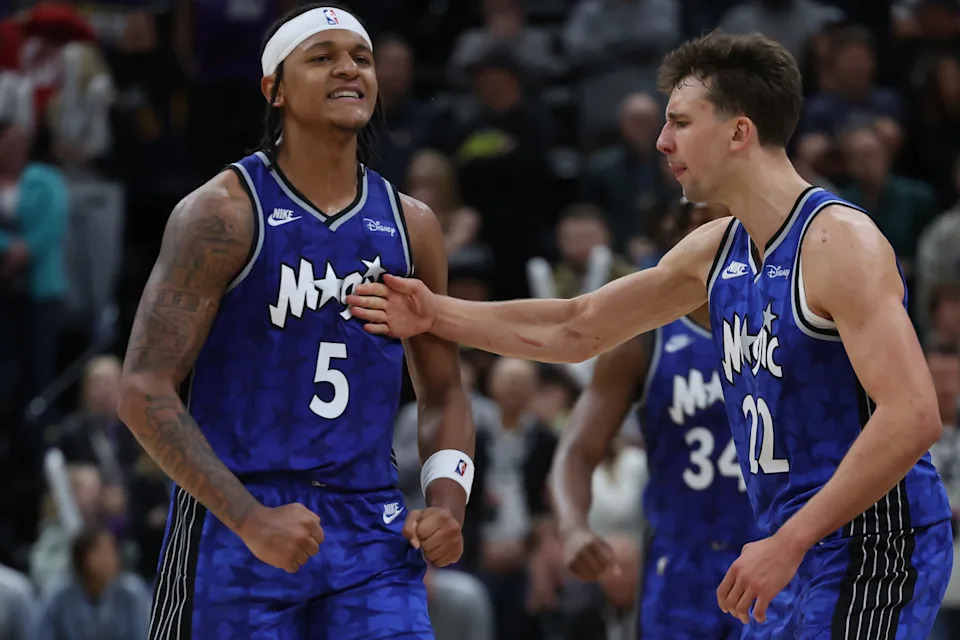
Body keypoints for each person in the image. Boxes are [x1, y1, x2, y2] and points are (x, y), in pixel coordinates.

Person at [347, 30, 954, 639]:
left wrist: (790, 539)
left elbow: (913, 413)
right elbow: (577, 325)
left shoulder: (837, 242)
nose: (662, 142)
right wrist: (434, 314)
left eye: (681, 123)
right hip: (791, 543)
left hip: (874, 545)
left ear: (739, 132)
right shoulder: (718, 250)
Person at [116, 5, 475, 640]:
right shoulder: (219, 214)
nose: (349, 68)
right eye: (323, 56)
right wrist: (250, 518)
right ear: (274, 88)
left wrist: (446, 503)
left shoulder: (411, 223)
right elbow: (142, 388)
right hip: (240, 519)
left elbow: (443, 391)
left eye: (360, 57)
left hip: (370, 526)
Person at [551, 200, 760, 640]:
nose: (709, 236)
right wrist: (572, 527)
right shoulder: (643, 338)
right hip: (680, 562)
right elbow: (577, 449)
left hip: (774, 555)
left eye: (723, 223)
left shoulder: (789, 320)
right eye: (697, 223)